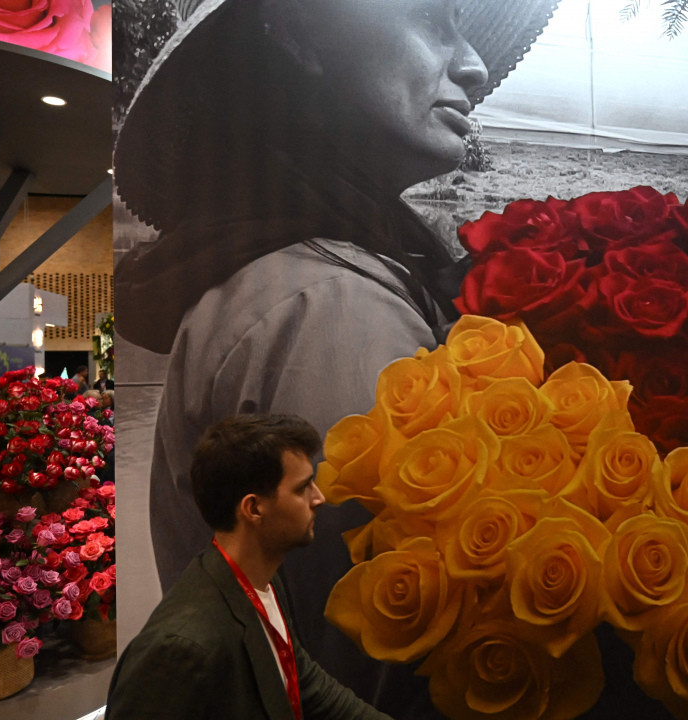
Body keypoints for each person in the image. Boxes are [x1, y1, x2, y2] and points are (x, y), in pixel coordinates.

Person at [113, 0, 558, 713]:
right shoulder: (332, 306)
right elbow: (387, 657)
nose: (474, 67)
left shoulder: (300, 275)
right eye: (431, 20)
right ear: (298, 36)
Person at [106, 413, 391, 720]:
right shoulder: (181, 647)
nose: (318, 498)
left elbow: (305, 685)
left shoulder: (262, 582)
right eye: (302, 488)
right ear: (253, 508)